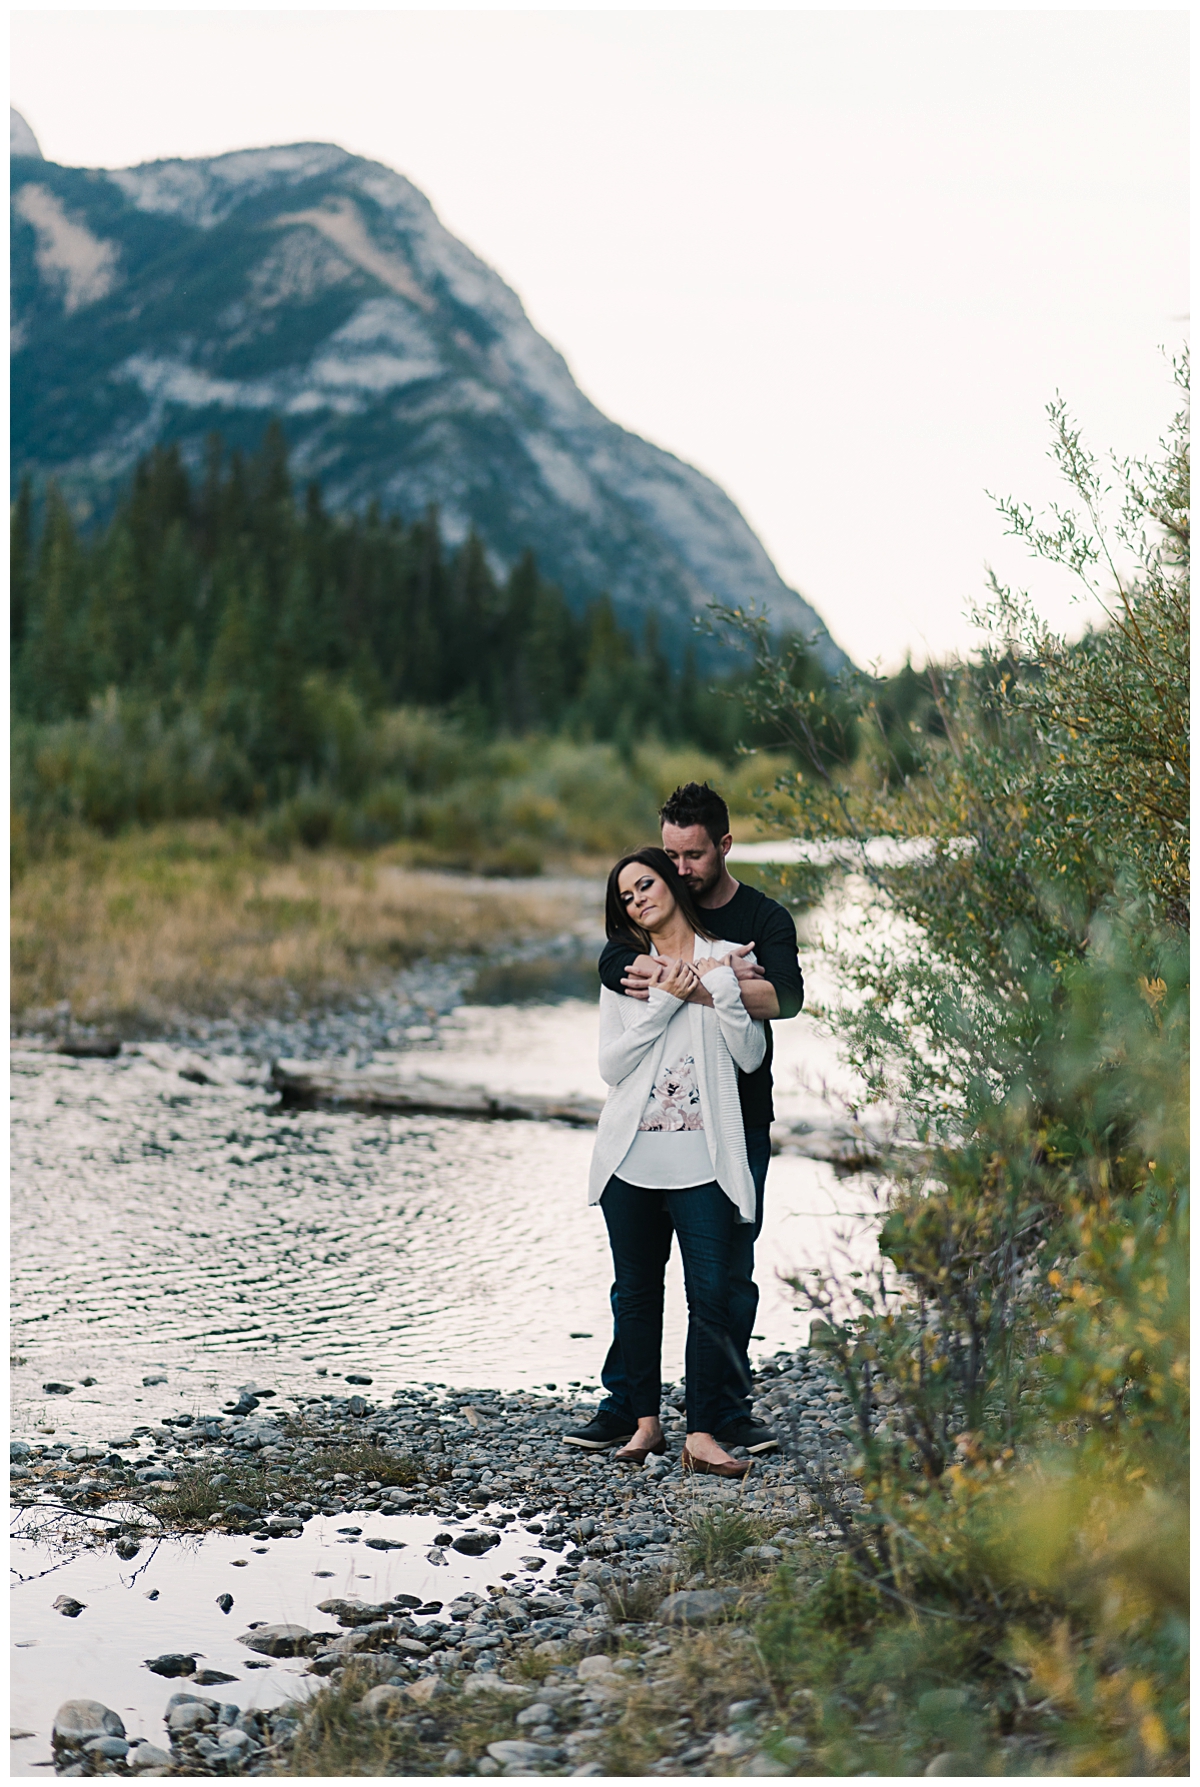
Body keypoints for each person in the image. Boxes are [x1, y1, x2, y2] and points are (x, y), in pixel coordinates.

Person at [566, 781, 804, 1457]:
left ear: (723, 846)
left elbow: (784, 997)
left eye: (691, 855)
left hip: (735, 1121)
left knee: (726, 1279)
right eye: (669, 853)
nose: (679, 869)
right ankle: (629, 1406)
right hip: (640, 1143)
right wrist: (649, 969)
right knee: (634, 1286)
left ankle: (721, 1412)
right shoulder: (631, 941)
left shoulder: (760, 920)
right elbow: (616, 963)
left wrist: (709, 980)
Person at [587, 846, 766, 1478]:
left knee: (711, 1295)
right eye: (627, 897)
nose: (638, 898)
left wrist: (716, 992)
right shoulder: (627, 973)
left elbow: (749, 1055)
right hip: (631, 1163)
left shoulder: (725, 958)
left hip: (705, 1163)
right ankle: (644, 1424)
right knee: (637, 1295)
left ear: (670, 881)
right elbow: (610, 1067)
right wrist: (667, 998)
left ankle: (703, 1434)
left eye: (645, 884)